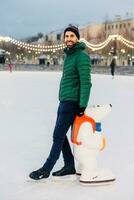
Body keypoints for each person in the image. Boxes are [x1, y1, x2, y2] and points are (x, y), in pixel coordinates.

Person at [29, 25, 92, 180]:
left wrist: (82, 105)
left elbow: (86, 82)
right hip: (64, 101)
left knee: (58, 135)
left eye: (71, 36)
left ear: (77, 38)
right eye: (66, 36)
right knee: (60, 135)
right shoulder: (69, 56)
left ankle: (46, 168)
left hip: (72, 102)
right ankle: (69, 165)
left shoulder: (81, 56)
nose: (68, 39)